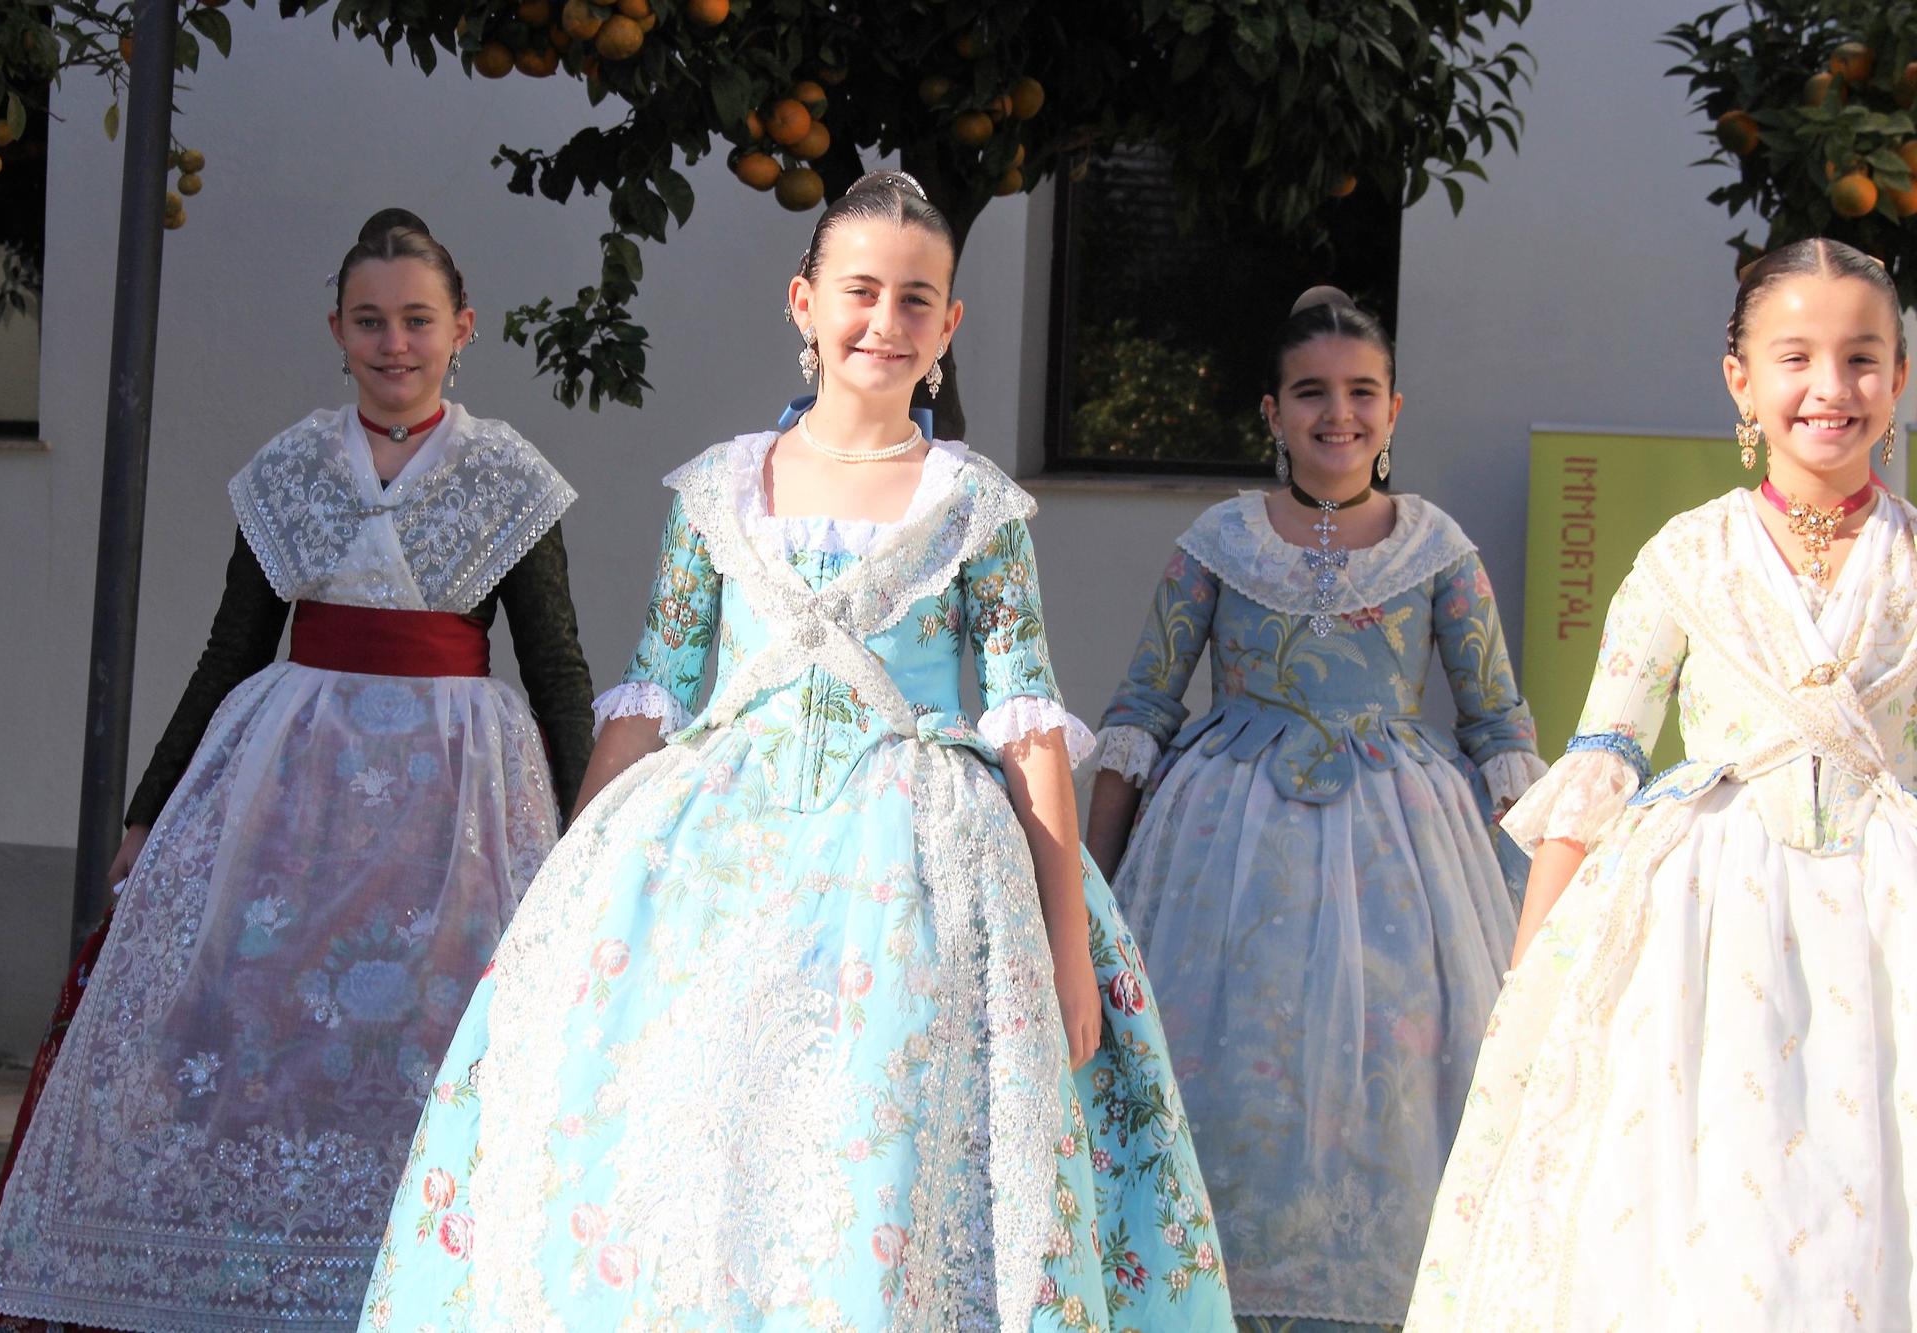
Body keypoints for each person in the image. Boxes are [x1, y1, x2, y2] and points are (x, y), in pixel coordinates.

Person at [357, 171, 1235, 1331]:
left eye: (916, 300)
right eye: (860, 291)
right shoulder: (717, 488)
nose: (885, 321)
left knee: (870, 1138)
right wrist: (560, 899)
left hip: (912, 877)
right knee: (699, 1127)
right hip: (717, 860)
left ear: (949, 326)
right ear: (804, 304)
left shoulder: (973, 504)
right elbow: (657, 688)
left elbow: (1026, 718)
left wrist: (1067, 946)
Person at [0, 209, 593, 1333]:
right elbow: (232, 646)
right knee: (256, 1029)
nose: (393, 344)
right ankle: (251, 1276)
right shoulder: (291, 470)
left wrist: (592, 825)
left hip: (452, 811)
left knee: (427, 1040)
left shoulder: (508, 478)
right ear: (337, 331)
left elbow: (554, 662)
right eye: (370, 321)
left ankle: (412, 1277)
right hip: (287, 796)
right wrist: (151, 808)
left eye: (415, 320)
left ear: (462, 330)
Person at [1406, 237, 1917, 1329]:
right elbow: (1604, 756)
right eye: (1795, 358)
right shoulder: (1686, 556)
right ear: (1739, 380)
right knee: (1721, 1203)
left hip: (1890, 919)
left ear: (1899, 377)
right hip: (1710, 931)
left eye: (1861, 358)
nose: (1829, 389)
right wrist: (1532, 969)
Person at [1084, 288, 1543, 1332]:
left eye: (1358, 392)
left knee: (1386, 1077)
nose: (1335, 413)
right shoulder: (1217, 541)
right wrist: (1090, 887)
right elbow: (1144, 704)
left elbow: (1497, 726)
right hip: (1216, 855)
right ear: (1270, 411)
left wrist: (1533, 904)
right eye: (1309, 393)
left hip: (1403, 857)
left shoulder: (1436, 547)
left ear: (1392, 409)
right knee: (1228, 1080)